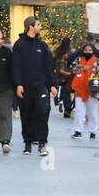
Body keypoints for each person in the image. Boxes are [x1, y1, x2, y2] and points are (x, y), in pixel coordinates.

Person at [11, 15, 57, 156]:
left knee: (42, 112)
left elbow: (49, 67)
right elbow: (16, 67)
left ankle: (42, 142)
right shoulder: (19, 45)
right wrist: (18, 84)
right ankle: (28, 142)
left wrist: (52, 85)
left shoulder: (42, 46)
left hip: (41, 86)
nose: (40, 27)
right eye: (38, 24)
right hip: (25, 86)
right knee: (26, 114)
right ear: (30, 26)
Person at [67, 41, 99, 140]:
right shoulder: (79, 59)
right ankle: (78, 131)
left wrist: (95, 71)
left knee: (92, 112)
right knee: (79, 111)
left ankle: (93, 132)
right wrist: (83, 67)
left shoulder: (96, 60)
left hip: (93, 90)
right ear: (83, 51)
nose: (88, 52)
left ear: (93, 51)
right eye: (86, 50)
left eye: (90, 50)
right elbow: (72, 69)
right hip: (79, 89)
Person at [53, 37, 76, 118]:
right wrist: (70, 74)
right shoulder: (66, 54)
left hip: (60, 76)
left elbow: (56, 66)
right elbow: (63, 67)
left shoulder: (57, 52)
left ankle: (65, 107)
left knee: (65, 92)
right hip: (67, 75)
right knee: (69, 92)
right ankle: (68, 108)